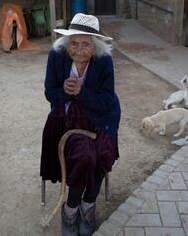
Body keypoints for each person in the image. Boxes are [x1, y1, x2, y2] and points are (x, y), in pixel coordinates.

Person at [40, 13, 121, 236]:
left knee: (101, 155)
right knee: (84, 156)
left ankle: (88, 206)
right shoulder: (57, 56)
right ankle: (71, 210)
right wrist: (65, 92)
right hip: (66, 119)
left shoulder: (104, 61)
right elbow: (50, 93)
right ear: (66, 44)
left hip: (101, 118)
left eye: (86, 44)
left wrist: (82, 93)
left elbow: (107, 100)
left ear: (95, 47)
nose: (78, 49)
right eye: (73, 43)